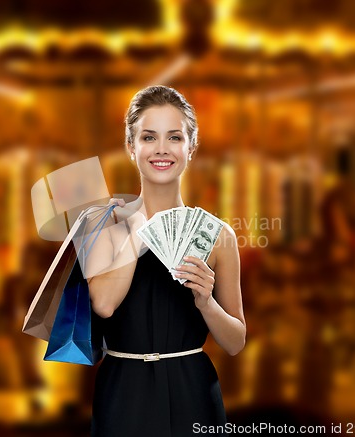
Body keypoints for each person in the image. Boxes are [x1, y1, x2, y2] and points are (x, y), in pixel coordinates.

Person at [86, 85, 246, 436]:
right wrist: (135, 226)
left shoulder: (218, 235)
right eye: (148, 137)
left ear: (191, 147)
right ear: (131, 147)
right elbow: (104, 305)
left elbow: (235, 342)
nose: (162, 149)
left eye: (174, 137)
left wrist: (206, 303)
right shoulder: (105, 225)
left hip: (193, 391)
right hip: (123, 393)